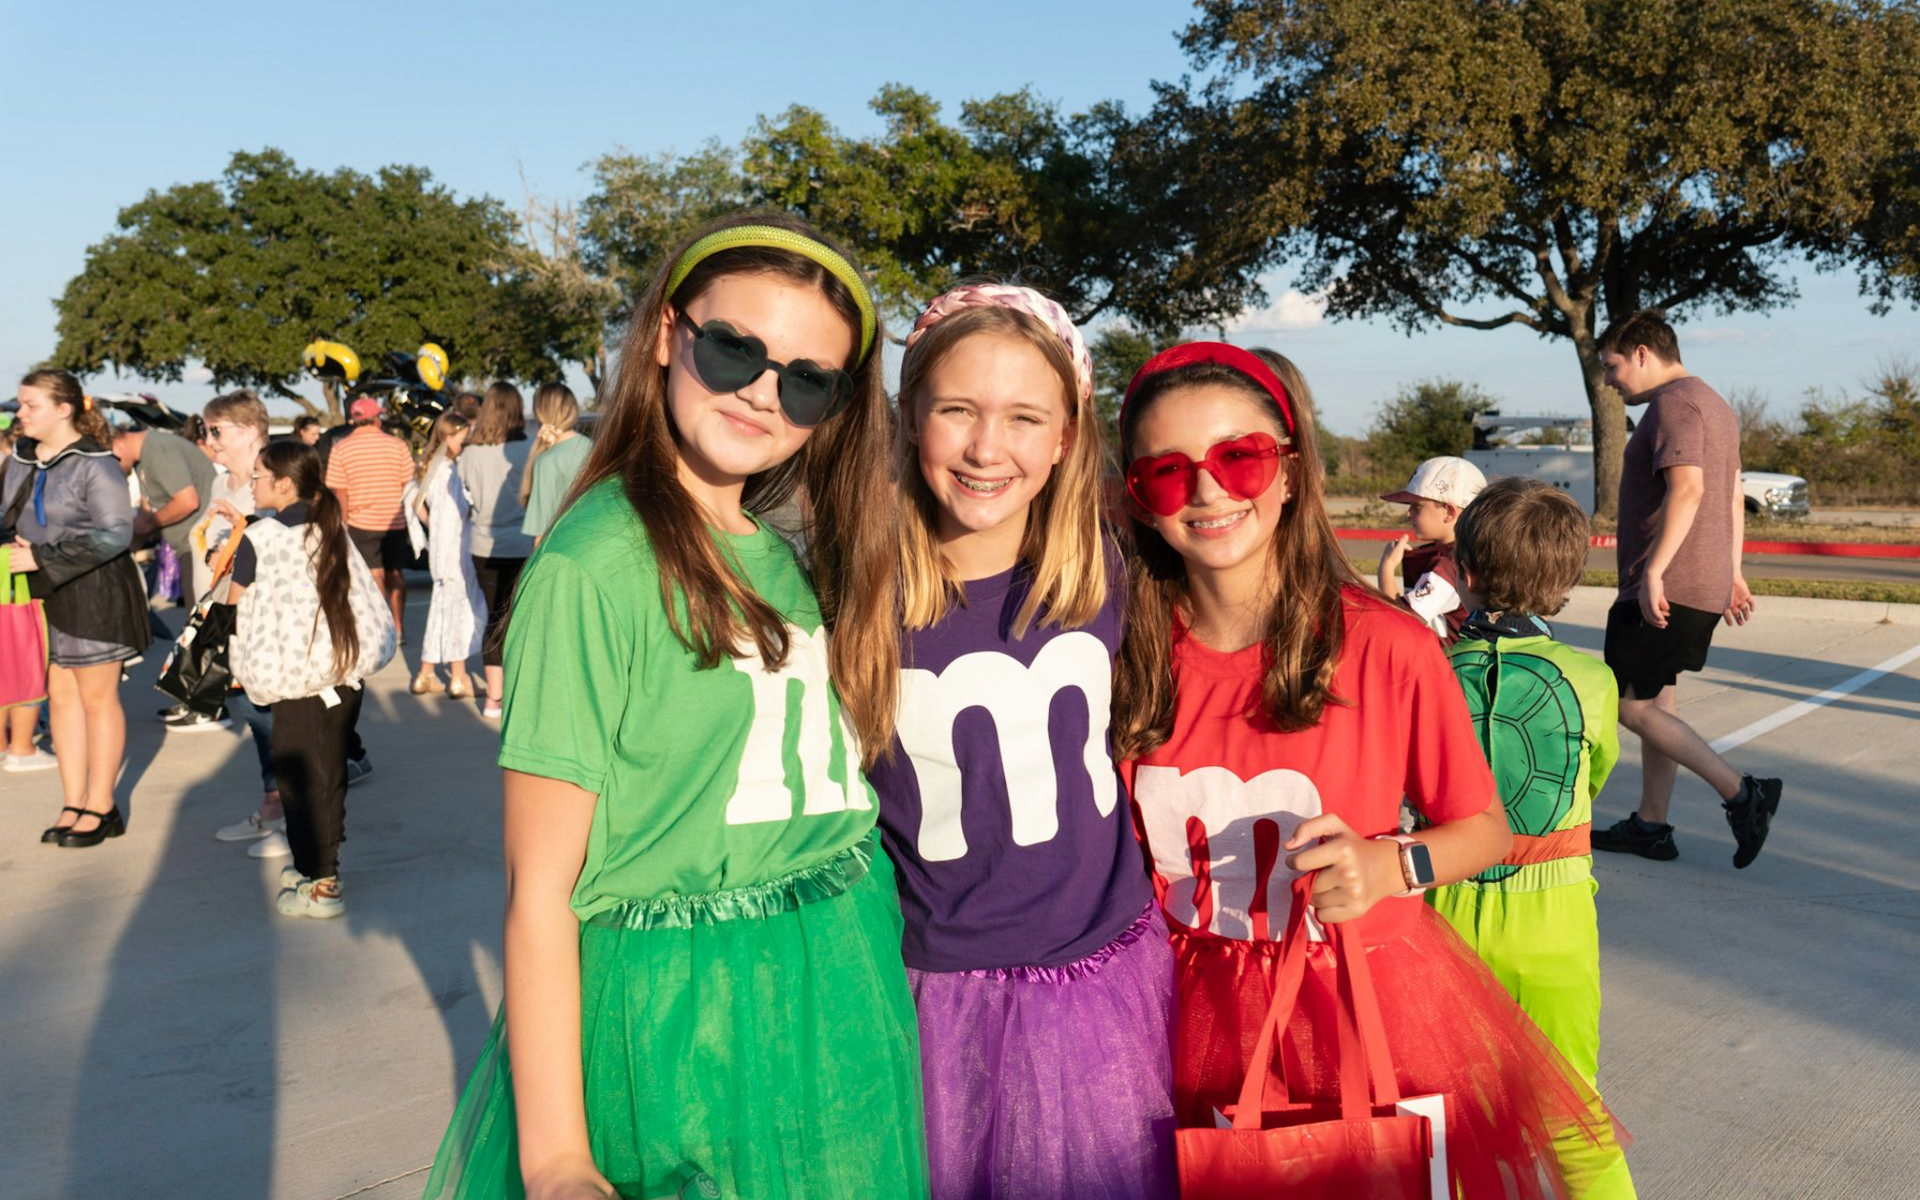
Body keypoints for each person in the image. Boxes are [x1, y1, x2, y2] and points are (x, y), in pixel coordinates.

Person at [421, 212, 925, 1200]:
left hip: (838, 989)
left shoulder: (782, 551)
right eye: (735, 349)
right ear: (666, 335)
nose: (763, 394)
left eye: (807, 378)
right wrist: (558, 1157)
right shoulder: (593, 564)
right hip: (682, 1026)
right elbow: (538, 891)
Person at [1114, 343, 1613, 1199]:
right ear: (1136, 498)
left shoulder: (1387, 646)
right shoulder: (1117, 648)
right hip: (1177, 1014)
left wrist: (1394, 863)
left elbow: (1483, 827)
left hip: (1363, 1009)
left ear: (1290, 472)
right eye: (1167, 472)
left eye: (1241, 457)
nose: (1207, 490)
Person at [856, 284, 1174, 1200]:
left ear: (1067, 435)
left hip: (1098, 980)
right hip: (928, 993)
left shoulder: (1109, 571)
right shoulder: (854, 592)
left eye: (1024, 417)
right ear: (910, 415)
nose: (988, 448)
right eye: (957, 410)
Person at [1429, 476, 1638, 1199]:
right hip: (1554, 926)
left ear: (1466, 568)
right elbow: (1595, 776)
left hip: (1442, 921)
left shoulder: (1427, 674)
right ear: (1567, 580)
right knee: (1573, 1121)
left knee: (1451, 1121)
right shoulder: (1591, 680)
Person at [1589, 309, 1781, 868]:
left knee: (1627, 705)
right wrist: (1734, 570)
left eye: (1612, 366)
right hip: (1699, 577)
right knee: (1658, 700)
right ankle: (1651, 824)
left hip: (1668, 583)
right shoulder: (1714, 404)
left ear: (1644, 353)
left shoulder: (1674, 404)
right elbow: (1731, 493)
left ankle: (1743, 794)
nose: (1608, 380)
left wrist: (1652, 572)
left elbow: (1692, 489)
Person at [228, 442, 394, 917]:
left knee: (301, 778)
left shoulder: (259, 538)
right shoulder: (330, 527)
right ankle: (313, 865)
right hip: (343, 672)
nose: (253, 483)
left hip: (293, 678)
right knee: (329, 772)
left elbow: (234, 605)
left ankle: (324, 882)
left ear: (283, 482)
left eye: (258, 476)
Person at [5, 370, 151, 847]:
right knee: (61, 698)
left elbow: (115, 534)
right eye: (20, 405)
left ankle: (102, 805)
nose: (19, 413)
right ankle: (73, 800)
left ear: (64, 409)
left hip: (96, 591)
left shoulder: (96, 463)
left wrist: (42, 556)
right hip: (42, 589)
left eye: (30, 405)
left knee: (96, 699)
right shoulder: (24, 459)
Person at [456, 382, 534, 719]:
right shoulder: (529, 448)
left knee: (493, 619)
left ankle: (494, 698)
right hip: (522, 541)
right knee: (522, 619)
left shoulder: (469, 453)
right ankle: (523, 691)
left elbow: (467, 493)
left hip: (483, 544)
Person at [325, 396, 416, 642]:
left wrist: (343, 523)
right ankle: (398, 628)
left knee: (374, 576)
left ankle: (381, 628)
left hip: (360, 522)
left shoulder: (341, 448)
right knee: (396, 573)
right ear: (376, 418)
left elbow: (340, 491)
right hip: (394, 520)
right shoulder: (397, 445)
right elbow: (408, 483)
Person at [408, 411, 484, 698]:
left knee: (441, 607)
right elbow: (462, 507)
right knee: (459, 608)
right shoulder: (451, 468)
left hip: (440, 546)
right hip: (457, 545)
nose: (463, 444)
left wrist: (431, 524)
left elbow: (414, 500)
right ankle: (459, 676)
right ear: (449, 436)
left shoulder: (430, 464)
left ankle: (425, 673)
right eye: (461, 438)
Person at [1376, 454, 1486, 643]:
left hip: (1448, 667)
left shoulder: (1448, 565)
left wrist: (1386, 569)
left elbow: (1401, 622)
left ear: (1449, 512)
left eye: (1417, 507)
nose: (1408, 513)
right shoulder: (1465, 552)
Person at [111, 420, 216, 604]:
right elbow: (147, 514)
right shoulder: (143, 461)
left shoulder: (157, 449)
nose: (113, 469)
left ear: (117, 443)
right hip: (187, 550)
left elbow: (187, 501)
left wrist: (150, 522)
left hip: (197, 550)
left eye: (110, 461)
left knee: (198, 624)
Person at [518, 383, 590, 546]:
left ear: (539, 413)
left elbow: (541, 533)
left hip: (562, 550)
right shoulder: (594, 448)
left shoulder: (547, 461)